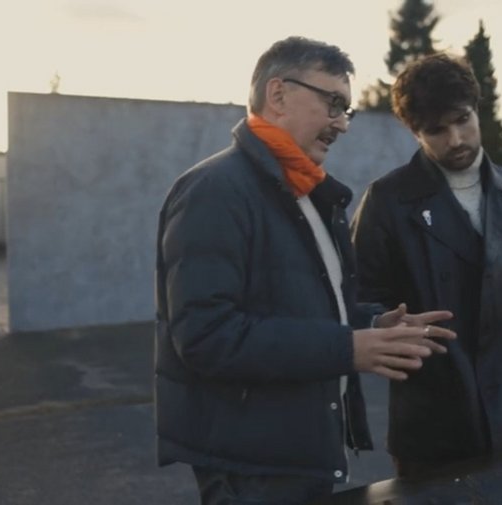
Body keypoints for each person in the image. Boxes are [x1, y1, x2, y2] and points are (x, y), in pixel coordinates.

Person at [154, 36, 456, 504]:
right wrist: (347, 348)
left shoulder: (306, 194)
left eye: (347, 110)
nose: (342, 124)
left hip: (296, 453)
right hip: (249, 467)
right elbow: (205, 336)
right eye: (333, 103)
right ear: (277, 95)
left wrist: (373, 325)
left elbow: (307, 307)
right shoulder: (214, 191)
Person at [350, 52, 502, 479]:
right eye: (436, 130)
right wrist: (385, 325)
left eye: (463, 119)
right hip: (431, 422)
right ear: (414, 133)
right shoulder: (387, 199)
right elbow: (354, 293)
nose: (455, 139)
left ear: (478, 109)